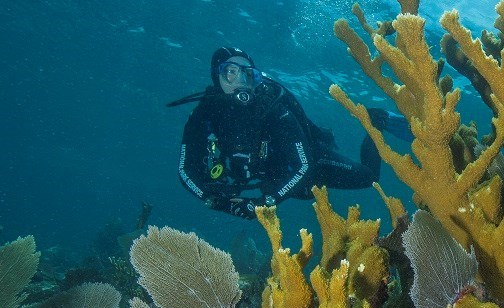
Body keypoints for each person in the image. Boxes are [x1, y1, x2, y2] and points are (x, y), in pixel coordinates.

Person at [172, 47, 410, 219]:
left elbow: (303, 166)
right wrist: (212, 198)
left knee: (368, 178)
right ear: (217, 76)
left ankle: (375, 121)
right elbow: (185, 169)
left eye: (248, 73)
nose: (240, 80)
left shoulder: (272, 109)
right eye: (231, 72)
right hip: (276, 178)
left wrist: (265, 202)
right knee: (303, 192)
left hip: (308, 162)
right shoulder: (203, 115)